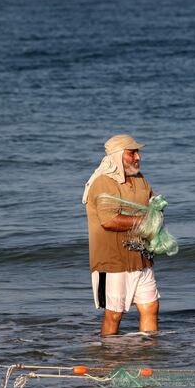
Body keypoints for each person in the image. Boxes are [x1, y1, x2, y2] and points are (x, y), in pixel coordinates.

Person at [82, 134, 160, 336]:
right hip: (112, 261)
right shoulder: (103, 182)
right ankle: (108, 359)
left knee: (150, 308)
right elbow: (109, 220)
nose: (138, 157)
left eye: (138, 152)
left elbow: (153, 208)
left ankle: (148, 357)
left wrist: (157, 215)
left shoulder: (140, 180)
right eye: (132, 152)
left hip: (142, 256)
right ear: (117, 156)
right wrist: (145, 221)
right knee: (114, 314)